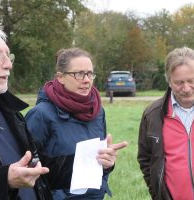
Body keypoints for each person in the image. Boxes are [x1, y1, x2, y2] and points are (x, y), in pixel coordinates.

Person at [0, 20, 127, 200]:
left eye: (8, 56)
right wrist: (4, 179)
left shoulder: (9, 113)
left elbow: (41, 167)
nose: (8, 65)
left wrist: (96, 162)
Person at [25, 47, 128, 199]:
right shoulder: (40, 115)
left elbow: (96, 162)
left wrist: (107, 164)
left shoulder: (98, 111)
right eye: (79, 74)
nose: (87, 80)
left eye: (90, 73)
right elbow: (27, 169)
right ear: (60, 77)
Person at [137, 47, 194, 200]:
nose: (186, 88)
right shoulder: (153, 114)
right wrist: (158, 194)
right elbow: (146, 160)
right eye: (179, 82)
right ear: (169, 81)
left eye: (191, 81)